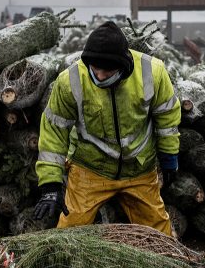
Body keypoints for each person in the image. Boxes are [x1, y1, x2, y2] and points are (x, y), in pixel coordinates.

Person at [33, 20, 181, 235]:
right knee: (68, 234)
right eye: (95, 68)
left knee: (159, 234)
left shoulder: (153, 72)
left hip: (139, 169)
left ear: (124, 64)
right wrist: (50, 184)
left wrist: (169, 156)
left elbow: (167, 118)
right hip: (90, 169)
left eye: (108, 70)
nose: (100, 75)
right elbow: (54, 132)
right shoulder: (70, 80)